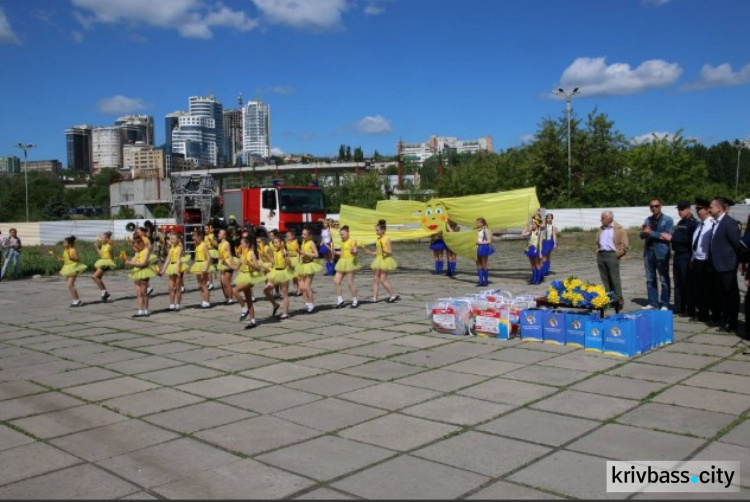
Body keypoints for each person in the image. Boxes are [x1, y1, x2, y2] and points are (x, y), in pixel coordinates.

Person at [708, 197, 742, 333]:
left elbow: (737, 245)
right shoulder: (716, 223)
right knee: (722, 295)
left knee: (731, 295)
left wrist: (738, 262)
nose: (709, 209)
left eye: (711, 207)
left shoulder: (729, 223)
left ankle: (731, 323)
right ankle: (725, 319)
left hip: (727, 265)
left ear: (719, 208)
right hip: (718, 266)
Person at [662, 201, 698, 316]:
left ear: (689, 209)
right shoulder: (681, 222)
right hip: (678, 255)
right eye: (679, 209)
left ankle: (690, 308)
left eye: (682, 209)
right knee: (678, 283)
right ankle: (679, 306)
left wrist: (671, 239)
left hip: (686, 255)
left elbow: (689, 240)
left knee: (687, 282)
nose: (680, 212)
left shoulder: (693, 223)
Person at [640, 198, 674, 310]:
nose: (654, 208)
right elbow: (642, 236)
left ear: (661, 206)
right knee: (650, 279)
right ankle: (652, 302)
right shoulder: (648, 220)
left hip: (661, 252)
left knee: (664, 279)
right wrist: (644, 233)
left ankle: (664, 303)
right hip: (648, 252)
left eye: (656, 206)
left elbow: (668, 236)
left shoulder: (667, 220)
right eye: (651, 206)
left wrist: (651, 233)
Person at [595, 210, 629, 305]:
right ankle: (609, 298)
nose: (601, 220)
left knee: (614, 278)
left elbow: (625, 244)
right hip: (601, 255)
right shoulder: (601, 229)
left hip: (612, 255)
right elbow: (597, 242)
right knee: (605, 278)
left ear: (610, 218)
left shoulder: (619, 229)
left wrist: (617, 254)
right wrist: (597, 251)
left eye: (603, 218)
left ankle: (619, 299)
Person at [690, 197, 715, 323]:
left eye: (699, 209)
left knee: (707, 289)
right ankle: (701, 312)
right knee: (698, 289)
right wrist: (692, 259)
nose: (697, 211)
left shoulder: (712, 224)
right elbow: (696, 243)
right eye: (696, 209)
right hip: (697, 260)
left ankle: (708, 313)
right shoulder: (700, 224)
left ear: (707, 210)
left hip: (706, 261)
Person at [232, 236, 266, 327]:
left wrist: (249, 264)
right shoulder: (242, 254)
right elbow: (236, 267)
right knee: (249, 300)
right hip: (243, 276)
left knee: (235, 290)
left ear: (247, 244)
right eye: (240, 243)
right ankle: (253, 320)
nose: (240, 245)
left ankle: (244, 309)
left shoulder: (251, 253)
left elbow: (258, 268)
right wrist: (227, 261)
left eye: (242, 243)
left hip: (250, 277)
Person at [364, 219, 399, 303]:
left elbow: (390, 252)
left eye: (377, 230)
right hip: (378, 260)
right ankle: (374, 298)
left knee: (382, 280)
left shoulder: (387, 239)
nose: (376, 232)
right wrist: (371, 252)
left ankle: (393, 295)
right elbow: (378, 252)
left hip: (385, 260)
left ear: (383, 230)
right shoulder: (378, 239)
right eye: (376, 230)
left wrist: (385, 251)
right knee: (376, 279)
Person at [264, 234, 293, 319]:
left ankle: (285, 313)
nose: (274, 244)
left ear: (281, 243)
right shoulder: (275, 251)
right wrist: (268, 257)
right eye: (274, 243)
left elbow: (289, 264)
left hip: (283, 272)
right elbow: (274, 262)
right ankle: (275, 304)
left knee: (284, 293)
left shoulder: (284, 251)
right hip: (275, 272)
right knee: (266, 290)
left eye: (276, 243)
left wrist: (286, 257)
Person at [333, 225, 361, 308]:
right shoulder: (342, 241)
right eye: (340, 234)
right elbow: (342, 252)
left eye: (343, 234)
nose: (341, 236)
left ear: (348, 233)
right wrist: (335, 252)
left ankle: (355, 300)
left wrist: (354, 251)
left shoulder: (352, 241)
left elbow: (355, 251)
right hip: (342, 262)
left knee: (350, 283)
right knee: (336, 281)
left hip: (350, 262)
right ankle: (340, 299)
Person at [126, 237, 155, 317]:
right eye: (135, 247)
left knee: (144, 292)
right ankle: (140, 310)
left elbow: (143, 263)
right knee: (138, 293)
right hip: (136, 272)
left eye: (137, 246)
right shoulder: (138, 253)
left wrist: (131, 263)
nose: (136, 248)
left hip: (144, 271)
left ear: (141, 244)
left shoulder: (146, 251)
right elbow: (133, 261)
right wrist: (127, 261)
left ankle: (146, 309)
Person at [297, 226, 323, 313]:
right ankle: (307, 303)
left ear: (310, 235)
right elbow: (301, 253)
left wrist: (306, 253)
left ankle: (311, 304)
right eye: (302, 234)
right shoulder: (303, 242)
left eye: (305, 234)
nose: (303, 236)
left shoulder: (311, 243)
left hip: (310, 265)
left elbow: (316, 254)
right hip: (303, 265)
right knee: (301, 287)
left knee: (307, 287)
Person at [158, 231, 186, 311]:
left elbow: (178, 260)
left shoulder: (180, 248)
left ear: (178, 240)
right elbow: (167, 260)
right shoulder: (171, 249)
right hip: (171, 266)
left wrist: (177, 270)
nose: (172, 240)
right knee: (170, 287)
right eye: (171, 239)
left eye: (174, 239)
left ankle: (178, 304)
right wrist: (162, 271)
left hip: (178, 267)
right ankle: (171, 304)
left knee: (178, 287)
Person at [59, 235, 87, 307]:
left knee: (70, 284)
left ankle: (77, 301)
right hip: (67, 268)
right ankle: (76, 300)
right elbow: (66, 259)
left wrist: (72, 259)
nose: (64, 244)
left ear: (70, 244)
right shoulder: (65, 250)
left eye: (65, 243)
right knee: (70, 285)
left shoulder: (73, 250)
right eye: (63, 243)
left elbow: (77, 259)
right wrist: (61, 259)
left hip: (73, 267)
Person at [189, 228, 214, 309]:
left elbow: (209, 257)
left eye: (195, 237)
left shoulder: (204, 245)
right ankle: (203, 301)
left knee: (204, 284)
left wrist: (205, 268)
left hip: (203, 264)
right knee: (200, 285)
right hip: (198, 264)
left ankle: (207, 302)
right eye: (193, 237)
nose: (193, 239)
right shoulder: (197, 245)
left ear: (200, 237)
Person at [92, 231, 115, 302]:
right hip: (102, 261)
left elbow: (112, 256)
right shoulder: (103, 246)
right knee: (98, 278)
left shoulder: (109, 246)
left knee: (94, 276)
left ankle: (104, 291)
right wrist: (96, 247)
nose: (101, 239)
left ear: (107, 238)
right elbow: (100, 254)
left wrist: (110, 264)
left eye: (103, 238)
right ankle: (105, 293)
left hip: (106, 262)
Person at [216, 229, 237, 304]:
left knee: (227, 282)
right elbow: (219, 256)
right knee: (222, 282)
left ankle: (231, 298)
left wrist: (232, 264)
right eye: (219, 233)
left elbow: (229, 254)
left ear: (224, 235)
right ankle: (227, 297)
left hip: (227, 262)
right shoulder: (219, 244)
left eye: (220, 233)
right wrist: (218, 266)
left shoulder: (227, 244)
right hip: (222, 263)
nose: (219, 234)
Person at [521, 216, 543, 285]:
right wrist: (527, 228)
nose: (532, 225)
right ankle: (534, 278)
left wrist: (540, 252)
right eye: (532, 224)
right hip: (530, 248)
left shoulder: (540, 232)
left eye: (533, 224)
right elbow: (522, 234)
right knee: (533, 265)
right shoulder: (531, 232)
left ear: (537, 224)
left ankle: (538, 280)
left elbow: (540, 243)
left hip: (536, 249)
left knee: (537, 264)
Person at [475, 217, 494, 287]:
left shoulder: (485, 230)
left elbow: (489, 241)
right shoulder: (476, 230)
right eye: (476, 223)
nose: (476, 224)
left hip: (483, 247)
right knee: (478, 264)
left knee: (484, 263)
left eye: (478, 223)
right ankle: (480, 281)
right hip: (476, 247)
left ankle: (485, 281)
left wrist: (480, 242)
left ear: (482, 223)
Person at [285, 231, 301, 296]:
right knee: (293, 276)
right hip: (290, 259)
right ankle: (295, 289)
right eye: (287, 236)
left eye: (288, 236)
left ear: (293, 236)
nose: (287, 237)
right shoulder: (287, 243)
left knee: (297, 276)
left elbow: (297, 252)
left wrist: (298, 260)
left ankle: (300, 289)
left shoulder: (295, 243)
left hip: (295, 259)